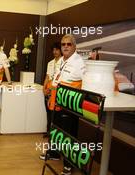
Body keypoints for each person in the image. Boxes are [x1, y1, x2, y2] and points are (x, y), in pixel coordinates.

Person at [48, 34, 85, 175]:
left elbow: (85, 83)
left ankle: (69, 165)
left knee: (69, 135)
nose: (65, 47)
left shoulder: (79, 62)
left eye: (68, 44)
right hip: (57, 102)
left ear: (74, 46)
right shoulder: (60, 61)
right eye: (63, 44)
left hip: (70, 106)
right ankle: (56, 154)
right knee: (58, 132)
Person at [40, 42, 62, 160]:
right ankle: (49, 137)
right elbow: (47, 77)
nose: (55, 52)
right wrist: (44, 88)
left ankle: (54, 152)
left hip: (56, 94)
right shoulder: (50, 63)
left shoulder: (63, 63)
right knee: (49, 117)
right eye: (53, 50)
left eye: (57, 49)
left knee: (55, 121)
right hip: (48, 93)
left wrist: (51, 90)